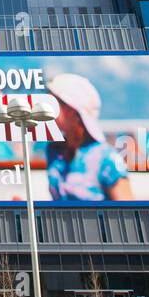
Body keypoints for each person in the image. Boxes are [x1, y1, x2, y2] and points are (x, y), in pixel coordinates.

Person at [43, 73, 133, 201]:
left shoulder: (107, 159)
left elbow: (129, 215)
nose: (44, 109)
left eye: (50, 103)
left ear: (72, 110)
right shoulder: (54, 151)